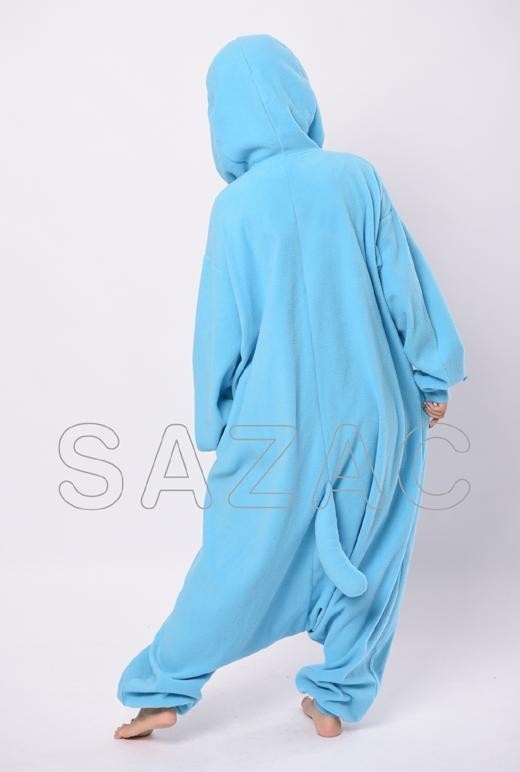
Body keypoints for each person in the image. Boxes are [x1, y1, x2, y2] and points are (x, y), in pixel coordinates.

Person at [114, 34, 467, 740]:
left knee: (237, 557)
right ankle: (337, 696)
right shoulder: (355, 178)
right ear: (299, 96)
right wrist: (431, 376)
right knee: (371, 546)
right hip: (375, 403)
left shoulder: (237, 209)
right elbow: (403, 285)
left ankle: (162, 687)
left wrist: (216, 418)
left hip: (274, 418)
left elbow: (220, 326)